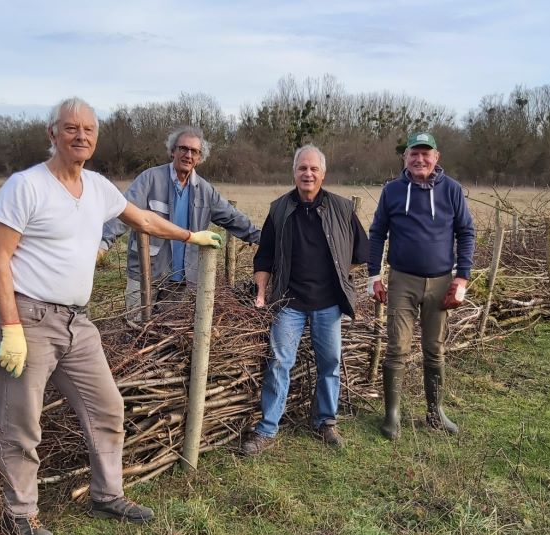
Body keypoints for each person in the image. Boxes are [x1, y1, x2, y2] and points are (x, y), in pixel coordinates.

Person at [0, 97, 223, 535]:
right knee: (22, 423)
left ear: (96, 138)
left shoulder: (96, 188)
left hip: (78, 323)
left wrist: (190, 235)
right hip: (31, 319)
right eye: (71, 128)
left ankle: (107, 495)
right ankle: (20, 516)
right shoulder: (25, 186)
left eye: (88, 130)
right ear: (52, 133)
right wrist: (11, 327)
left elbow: (145, 220)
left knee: (108, 409)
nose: (80, 136)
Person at [241, 144, 369, 455]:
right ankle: (267, 429)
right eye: (302, 168)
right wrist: (261, 293)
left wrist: (339, 272)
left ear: (323, 174)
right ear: (294, 172)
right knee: (279, 363)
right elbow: (264, 258)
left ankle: (325, 422)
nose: (307, 173)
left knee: (330, 364)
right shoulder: (280, 209)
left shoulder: (341, 208)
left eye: (313, 169)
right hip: (289, 302)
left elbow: (362, 253)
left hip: (328, 303)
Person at [367, 131, 476, 440]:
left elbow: (466, 233)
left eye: (426, 153)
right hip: (402, 280)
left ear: (436, 157)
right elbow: (377, 234)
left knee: (434, 349)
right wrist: (373, 276)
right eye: (414, 153)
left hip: (441, 281)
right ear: (405, 158)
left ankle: (434, 413)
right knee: (397, 347)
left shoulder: (452, 191)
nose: (420, 159)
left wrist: (462, 278)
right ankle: (392, 415)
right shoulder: (392, 191)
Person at [100, 125, 260, 312]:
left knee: (169, 336)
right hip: (146, 274)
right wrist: (102, 244)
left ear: (200, 158)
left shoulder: (205, 191)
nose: (188, 155)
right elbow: (122, 212)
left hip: (182, 281)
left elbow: (233, 218)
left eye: (194, 151)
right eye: (183, 148)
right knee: (137, 331)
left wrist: (264, 238)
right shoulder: (150, 179)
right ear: (172, 151)